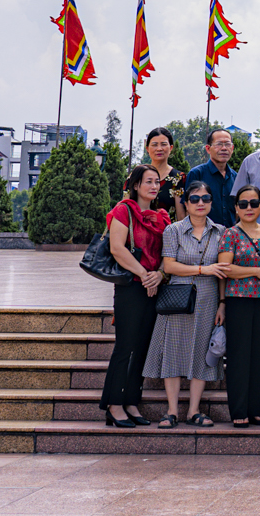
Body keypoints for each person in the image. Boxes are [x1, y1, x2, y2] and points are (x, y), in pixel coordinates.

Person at [151, 182, 226, 428]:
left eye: (206, 198)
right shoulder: (173, 230)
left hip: (208, 298)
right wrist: (203, 269)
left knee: (202, 355)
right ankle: (171, 410)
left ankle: (194, 410)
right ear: (186, 203)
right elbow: (169, 266)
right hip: (178, 297)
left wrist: (222, 303)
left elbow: (223, 271)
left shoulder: (221, 231)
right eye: (194, 199)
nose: (200, 203)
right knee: (172, 351)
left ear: (212, 202)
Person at [100, 164, 168, 427]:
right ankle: (114, 405)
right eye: (148, 181)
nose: (153, 186)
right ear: (136, 185)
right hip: (131, 286)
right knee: (125, 346)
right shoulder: (124, 210)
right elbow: (117, 248)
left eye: (157, 182)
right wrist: (144, 274)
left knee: (142, 348)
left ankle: (131, 402)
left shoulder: (163, 216)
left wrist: (159, 275)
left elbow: (167, 254)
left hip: (154, 286)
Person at [217, 183, 260, 429]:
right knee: (238, 356)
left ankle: (258, 409)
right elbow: (225, 269)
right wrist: (256, 271)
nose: (249, 208)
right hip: (239, 301)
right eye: (243, 204)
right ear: (236, 208)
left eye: (254, 203)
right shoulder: (230, 234)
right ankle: (239, 409)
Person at [185, 128, 240, 227]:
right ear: (208, 148)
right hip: (203, 236)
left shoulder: (235, 177)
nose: (224, 148)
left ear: (232, 148)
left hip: (229, 237)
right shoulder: (197, 174)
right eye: (219, 144)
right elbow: (187, 208)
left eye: (227, 144)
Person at [143, 127, 185, 219]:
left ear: (171, 148)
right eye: (154, 145)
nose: (159, 149)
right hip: (139, 231)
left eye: (163, 144)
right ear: (147, 148)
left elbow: (181, 217)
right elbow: (125, 209)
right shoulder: (136, 176)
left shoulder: (178, 178)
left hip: (168, 232)